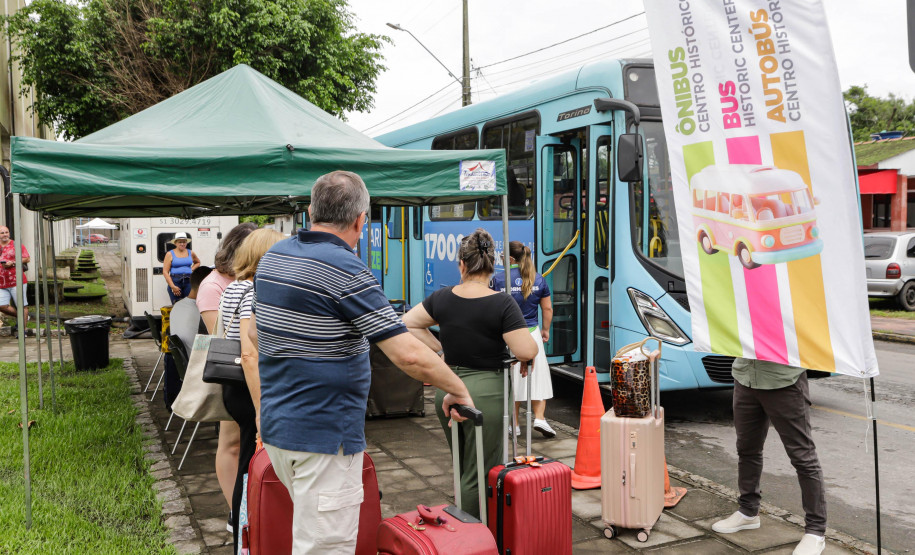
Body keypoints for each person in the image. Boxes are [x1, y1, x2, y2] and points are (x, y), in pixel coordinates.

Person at [251, 170, 475, 554]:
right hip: (323, 438)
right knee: (325, 547)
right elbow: (407, 353)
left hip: (279, 432)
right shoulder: (345, 268)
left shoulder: (275, 257)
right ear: (360, 220)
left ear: (310, 211)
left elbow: (258, 333)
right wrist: (458, 388)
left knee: (308, 536)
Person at [403, 228, 538, 519]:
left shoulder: (441, 298)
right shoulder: (502, 303)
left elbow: (408, 324)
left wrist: (441, 348)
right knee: (479, 472)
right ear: (492, 267)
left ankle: (464, 531)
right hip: (486, 395)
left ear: (462, 265)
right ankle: (474, 537)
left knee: (463, 466)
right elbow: (526, 350)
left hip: (447, 388)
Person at [712, 358, 827, 555]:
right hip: (745, 377)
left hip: (784, 380)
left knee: (803, 458)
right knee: (747, 449)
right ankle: (748, 511)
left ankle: (816, 531)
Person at [218, 228, 284, 549]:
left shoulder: (232, 288)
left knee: (246, 461)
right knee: (250, 467)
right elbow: (249, 352)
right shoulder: (253, 291)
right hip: (250, 390)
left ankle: (243, 533)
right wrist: (262, 409)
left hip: (234, 388)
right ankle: (247, 538)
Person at [195, 220, 257, 531]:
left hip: (239, 374)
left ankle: (241, 512)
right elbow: (218, 335)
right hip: (232, 372)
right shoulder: (215, 285)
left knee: (237, 444)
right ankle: (237, 512)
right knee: (231, 445)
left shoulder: (234, 283)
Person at [490, 240, 555, 438]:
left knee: (513, 380)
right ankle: (540, 418)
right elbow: (547, 308)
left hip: (510, 335)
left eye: (502, 257)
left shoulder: (499, 280)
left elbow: (493, 309)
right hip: (533, 334)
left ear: (510, 259)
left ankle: (515, 425)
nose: (501, 259)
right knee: (538, 377)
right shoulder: (538, 279)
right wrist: (545, 330)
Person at [0, 225, 30, 326]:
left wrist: (12, 262)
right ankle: (22, 316)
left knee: (22, 305)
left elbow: (27, 258)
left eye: (6, 232)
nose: (5, 235)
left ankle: (23, 331)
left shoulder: (16, 244)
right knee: (2, 305)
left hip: (16, 281)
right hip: (1, 283)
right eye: (2, 233)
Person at [163, 232, 200, 304]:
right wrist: (172, 286)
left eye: (184, 242)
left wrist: (191, 269)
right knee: (177, 306)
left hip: (189, 281)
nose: (182, 244)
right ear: (175, 243)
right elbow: (165, 272)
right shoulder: (170, 254)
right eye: (180, 242)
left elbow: (197, 262)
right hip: (175, 282)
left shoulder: (191, 253)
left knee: (190, 305)